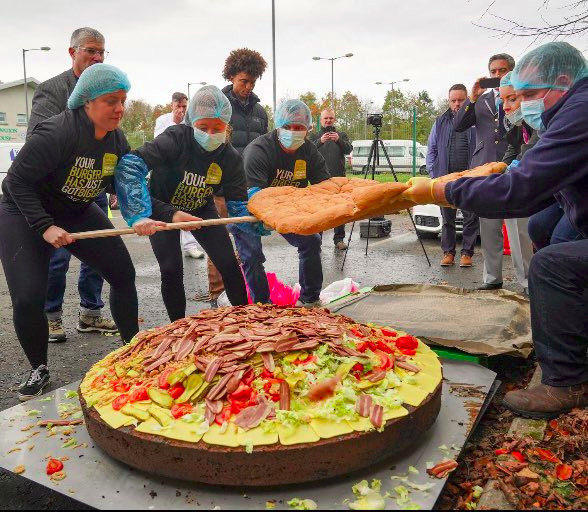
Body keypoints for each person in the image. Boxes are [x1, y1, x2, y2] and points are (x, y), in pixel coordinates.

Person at [402, 41, 588, 419]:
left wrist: (443, 190)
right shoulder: (568, 109)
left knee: (551, 265)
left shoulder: (581, 113)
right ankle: (570, 333)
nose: (524, 104)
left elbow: (522, 190)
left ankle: (566, 382)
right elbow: (538, 189)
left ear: (564, 81)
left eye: (530, 95)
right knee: (544, 224)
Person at [0, 64, 139, 400]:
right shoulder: (56, 133)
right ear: (86, 102)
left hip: (75, 208)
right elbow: (14, 181)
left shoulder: (116, 140)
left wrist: (143, 215)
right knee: (28, 296)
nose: (119, 108)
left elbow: (126, 186)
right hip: (22, 211)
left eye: (123, 100)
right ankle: (39, 369)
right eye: (111, 101)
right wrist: (45, 227)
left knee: (123, 273)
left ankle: (135, 352)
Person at [115, 85, 249, 321]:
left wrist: (260, 222)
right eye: (203, 127)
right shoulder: (175, 138)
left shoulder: (230, 158)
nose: (209, 133)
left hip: (201, 208)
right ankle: (178, 327)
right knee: (171, 270)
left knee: (228, 263)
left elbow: (239, 205)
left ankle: (245, 322)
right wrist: (148, 212)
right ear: (191, 123)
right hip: (161, 207)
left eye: (217, 128)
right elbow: (131, 164)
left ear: (226, 127)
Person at [27, 27, 118, 342]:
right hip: (56, 194)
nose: (97, 57)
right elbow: (37, 140)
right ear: (72, 52)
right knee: (58, 257)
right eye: (90, 50)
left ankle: (90, 312)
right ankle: (52, 315)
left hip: (92, 187)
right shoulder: (53, 90)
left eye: (101, 52)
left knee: (100, 253)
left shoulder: (109, 89)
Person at [230, 99, 330, 307]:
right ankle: (262, 305)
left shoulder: (309, 151)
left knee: (311, 240)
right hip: (248, 206)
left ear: (308, 129)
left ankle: (310, 299)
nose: (293, 132)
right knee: (252, 255)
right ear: (278, 126)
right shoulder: (259, 150)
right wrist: (270, 216)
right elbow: (254, 194)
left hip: (289, 209)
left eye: (299, 128)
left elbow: (325, 187)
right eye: (287, 127)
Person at [195, 48, 270, 307]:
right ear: (231, 77)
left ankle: (255, 300)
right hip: (218, 189)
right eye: (243, 81)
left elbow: (265, 149)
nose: (247, 87)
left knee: (250, 248)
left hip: (248, 189)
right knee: (219, 246)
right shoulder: (217, 107)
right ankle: (217, 296)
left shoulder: (260, 113)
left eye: (252, 82)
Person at [455, 53, 533, 293]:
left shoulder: (522, 97)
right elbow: (458, 125)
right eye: (493, 72)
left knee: (518, 228)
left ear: (513, 71)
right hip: (486, 168)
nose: (497, 76)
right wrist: (472, 98)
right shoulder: (480, 99)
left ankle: (527, 281)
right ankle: (492, 278)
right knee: (488, 227)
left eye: (502, 71)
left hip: (515, 167)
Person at [426, 84, 478, 267]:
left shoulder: (474, 119)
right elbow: (431, 149)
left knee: (471, 217)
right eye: (453, 100)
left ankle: (467, 254)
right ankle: (448, 253)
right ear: (449, 101)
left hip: (469, 179)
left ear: (466, 100)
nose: (456, 104)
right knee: (447, 218)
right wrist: (433, 173)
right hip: (445, 179)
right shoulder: (440, 121)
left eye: (460, 100)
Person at [153, 92, 205, 260]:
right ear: (172, 105)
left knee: (186, 208)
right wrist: (174, 123)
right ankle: (170, 248)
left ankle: (190, 246)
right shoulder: (162, 120)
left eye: (184, 106)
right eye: (178, 106)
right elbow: (157, 141)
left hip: (184, 171)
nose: (181, 110)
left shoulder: (190, 120)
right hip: (165, 172)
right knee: (167, 210)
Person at [309, 108, 353, 250]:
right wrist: (320, 141)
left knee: (339, 211)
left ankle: (339, 239)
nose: (328, 120)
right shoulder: (314, 136)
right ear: (321, 120)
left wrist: (339, 140)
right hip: (319, 180)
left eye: (330, 118)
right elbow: (307, 150)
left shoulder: (341, 135)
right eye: (325, 118)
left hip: (338, 179)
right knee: (319, 211)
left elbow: (348, 150)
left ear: (334, 119)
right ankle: (317, 240)